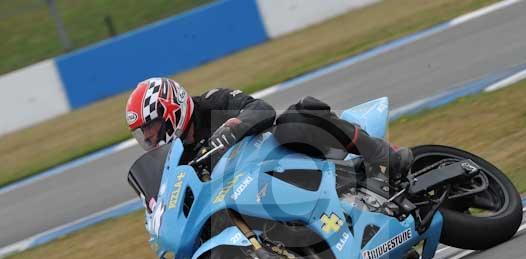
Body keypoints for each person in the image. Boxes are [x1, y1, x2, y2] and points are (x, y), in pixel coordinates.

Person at [125, 77, 413, 180]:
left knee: (291, 124)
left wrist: (231, 130)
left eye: (151, 127)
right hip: (247, 190)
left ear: (170, 109)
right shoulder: (175, 159)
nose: (149, 137)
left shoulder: (212, 102)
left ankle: (382, 154)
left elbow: (262, 110)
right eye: (143, 133)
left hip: (280, 158)